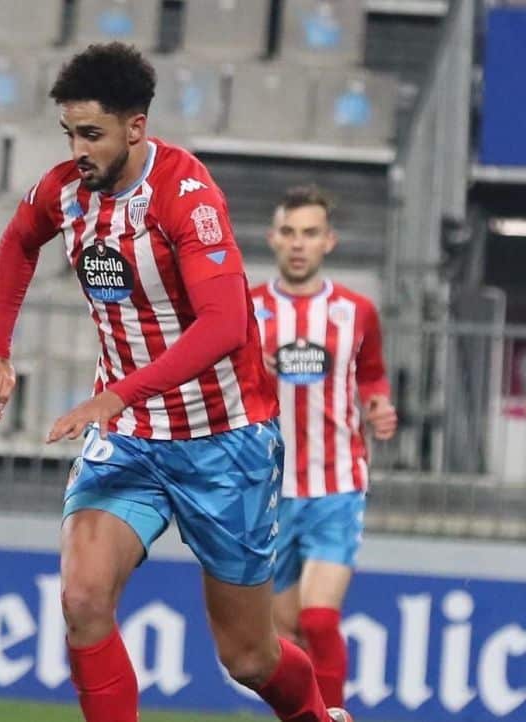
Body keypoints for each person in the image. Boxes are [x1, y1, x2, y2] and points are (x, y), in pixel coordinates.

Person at [0, 43, 352, 722]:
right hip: (130, 438)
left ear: (135, 127)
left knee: (249, 658)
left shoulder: (184, 194)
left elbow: (225, 324)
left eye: (92, 135)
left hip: (223, 441)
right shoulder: (65, 191)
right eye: (70, 134)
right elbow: (17, 241)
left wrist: (118, 390)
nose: (78, 150)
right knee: (82, 599)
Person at [251, 186, 397, 709]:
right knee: (284, 632)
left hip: (337, 484)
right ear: (272, 238)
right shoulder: (248, 311)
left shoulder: (355, 312)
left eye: (309, 233)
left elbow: (373, 375)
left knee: (318, 616)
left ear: (328, 242)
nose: (298, 244)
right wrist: (248, 372)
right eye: (289, 232)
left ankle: (333, 718)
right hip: (270, 493)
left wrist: (379, 405)